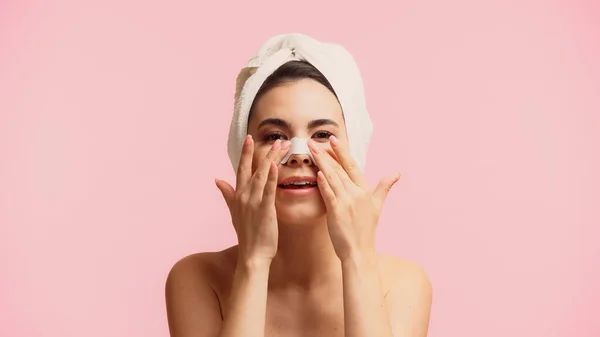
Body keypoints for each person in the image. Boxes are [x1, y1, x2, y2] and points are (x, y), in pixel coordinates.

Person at [165, 33, 432, 337]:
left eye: (321, 135)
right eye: (275, 136)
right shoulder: (197, 279)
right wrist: (254, 261)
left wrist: (357, 255)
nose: (298, 154)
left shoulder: (403, 284)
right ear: (243, 154)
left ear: (353, 151)